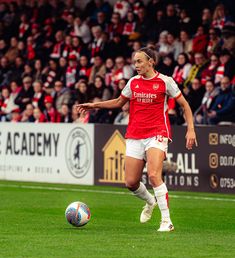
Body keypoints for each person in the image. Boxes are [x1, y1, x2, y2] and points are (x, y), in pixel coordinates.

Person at [76, 47, 197, 232]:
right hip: (135, 135)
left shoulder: (166, 82)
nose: (136, 65)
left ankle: (167, 221)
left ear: (151, 62)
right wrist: (94, 105)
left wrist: (191, 130)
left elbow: (185, 105)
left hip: (157, 132)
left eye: (139, 61)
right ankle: (150, 201)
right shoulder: (133, 83)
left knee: (154, 175)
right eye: (134, 62)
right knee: (131, 182)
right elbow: (118, 102)